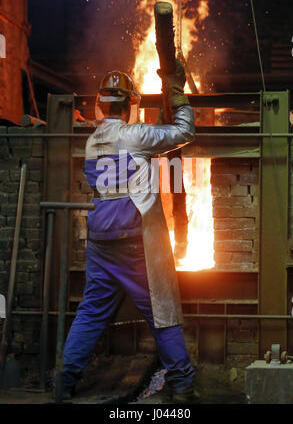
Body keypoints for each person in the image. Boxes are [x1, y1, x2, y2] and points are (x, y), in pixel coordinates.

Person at [60, 59, 196, 403]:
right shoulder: (135, 134)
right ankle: (181, 381)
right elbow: (183, 133)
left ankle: (64, 381)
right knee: (159, 309)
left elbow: (147, 145)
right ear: (129, 104)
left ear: (100, 104)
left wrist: (158, 126)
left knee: (91, 311)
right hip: (134, 239)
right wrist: (178, 96)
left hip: (100, 237)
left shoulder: (93, 140)